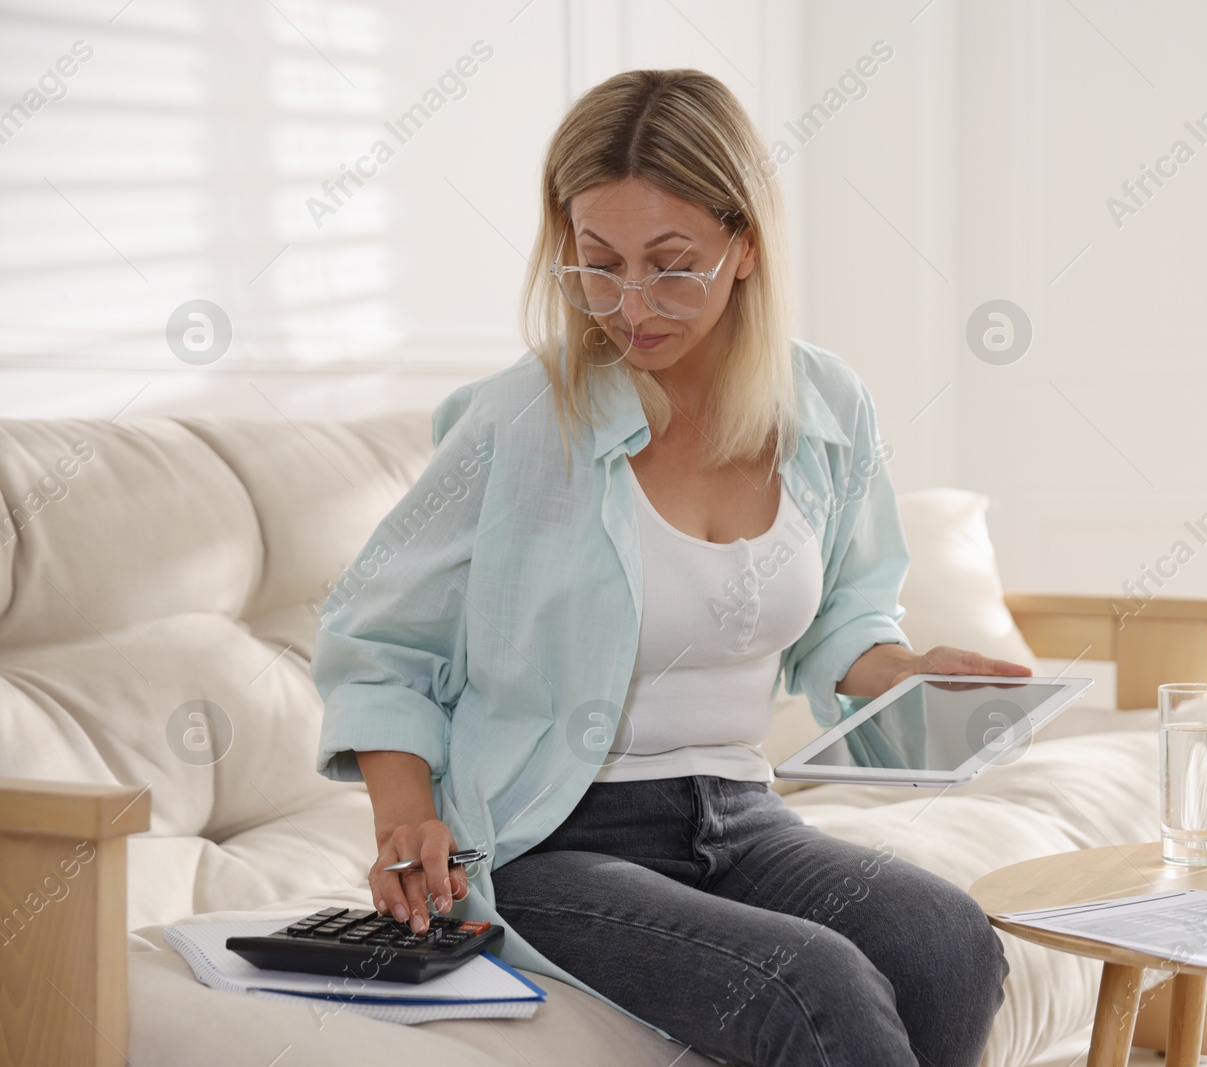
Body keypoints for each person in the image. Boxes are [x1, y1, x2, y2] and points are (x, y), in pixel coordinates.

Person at [311, 67, 1027, 1067]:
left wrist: (894, 669)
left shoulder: (825, 406)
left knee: (945, 939)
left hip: (742, 816)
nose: (629, 304)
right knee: (811, 983)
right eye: (597, 264)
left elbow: (844, 617)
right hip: (551, 837)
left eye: (671, 263)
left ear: (744, 246)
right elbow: (377, 641)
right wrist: (405, 818)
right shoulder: (518, 422)